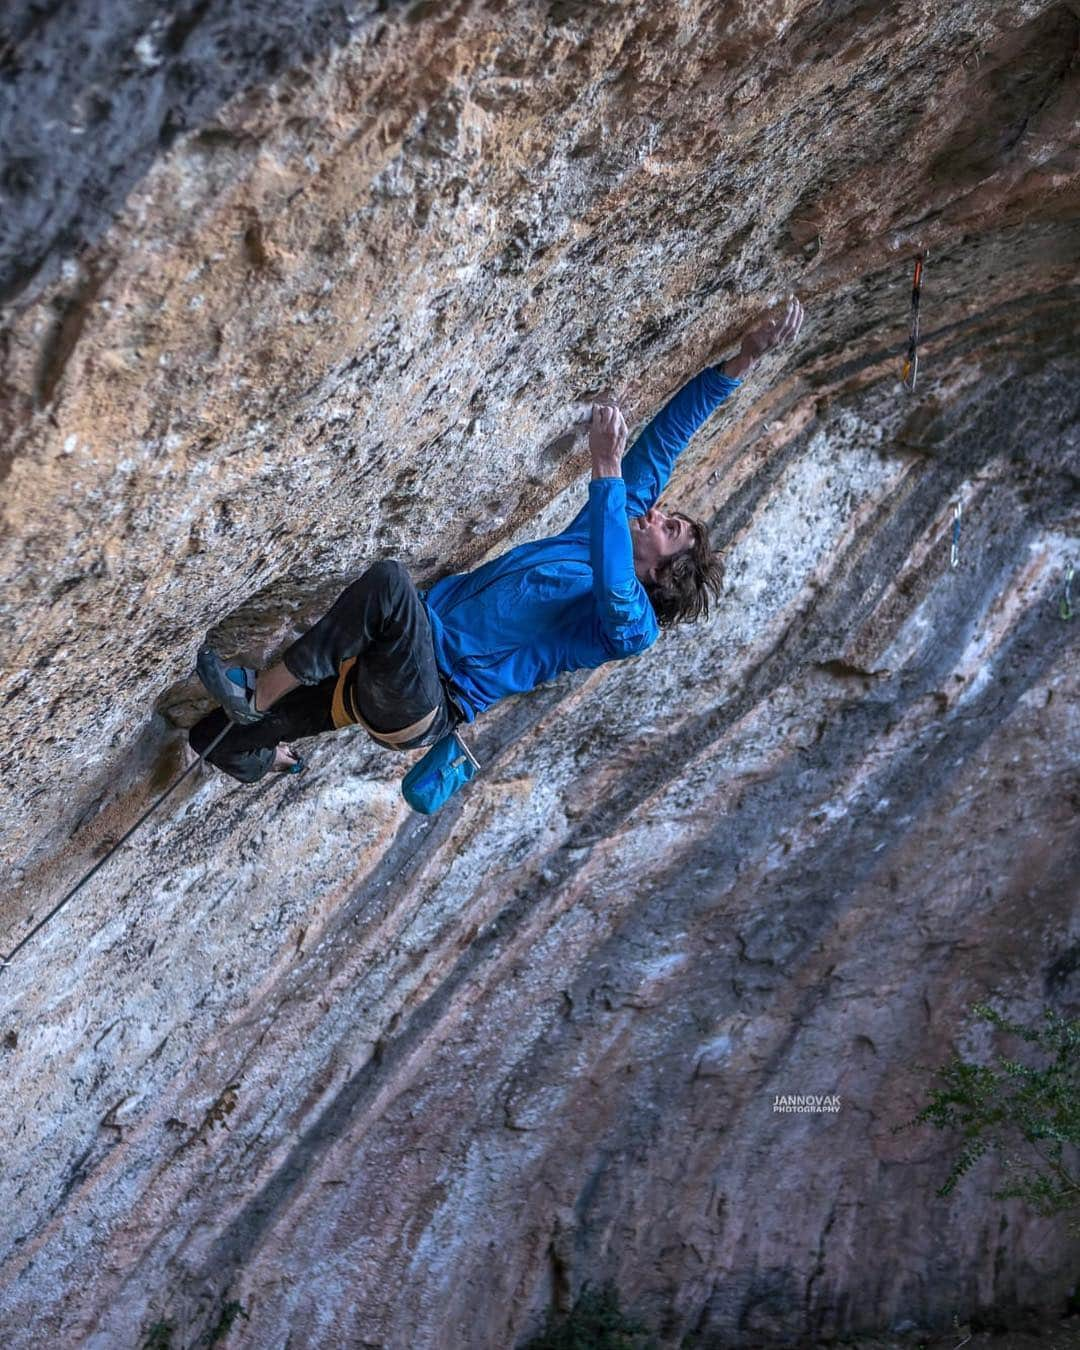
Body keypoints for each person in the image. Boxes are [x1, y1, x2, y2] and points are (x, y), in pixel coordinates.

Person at [190, 296, 805, 781]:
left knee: (389, 586)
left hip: (425, 699)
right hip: (376, 681)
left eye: (670, 530)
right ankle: (260, 754)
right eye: (667, 514)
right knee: (210, 738)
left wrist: (605, 470)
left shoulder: (629, 626)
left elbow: (616, 586)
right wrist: (745, 358)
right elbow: (669, 440)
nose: (659, 515)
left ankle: (258, 691)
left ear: (662, 574)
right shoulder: (605, 532)